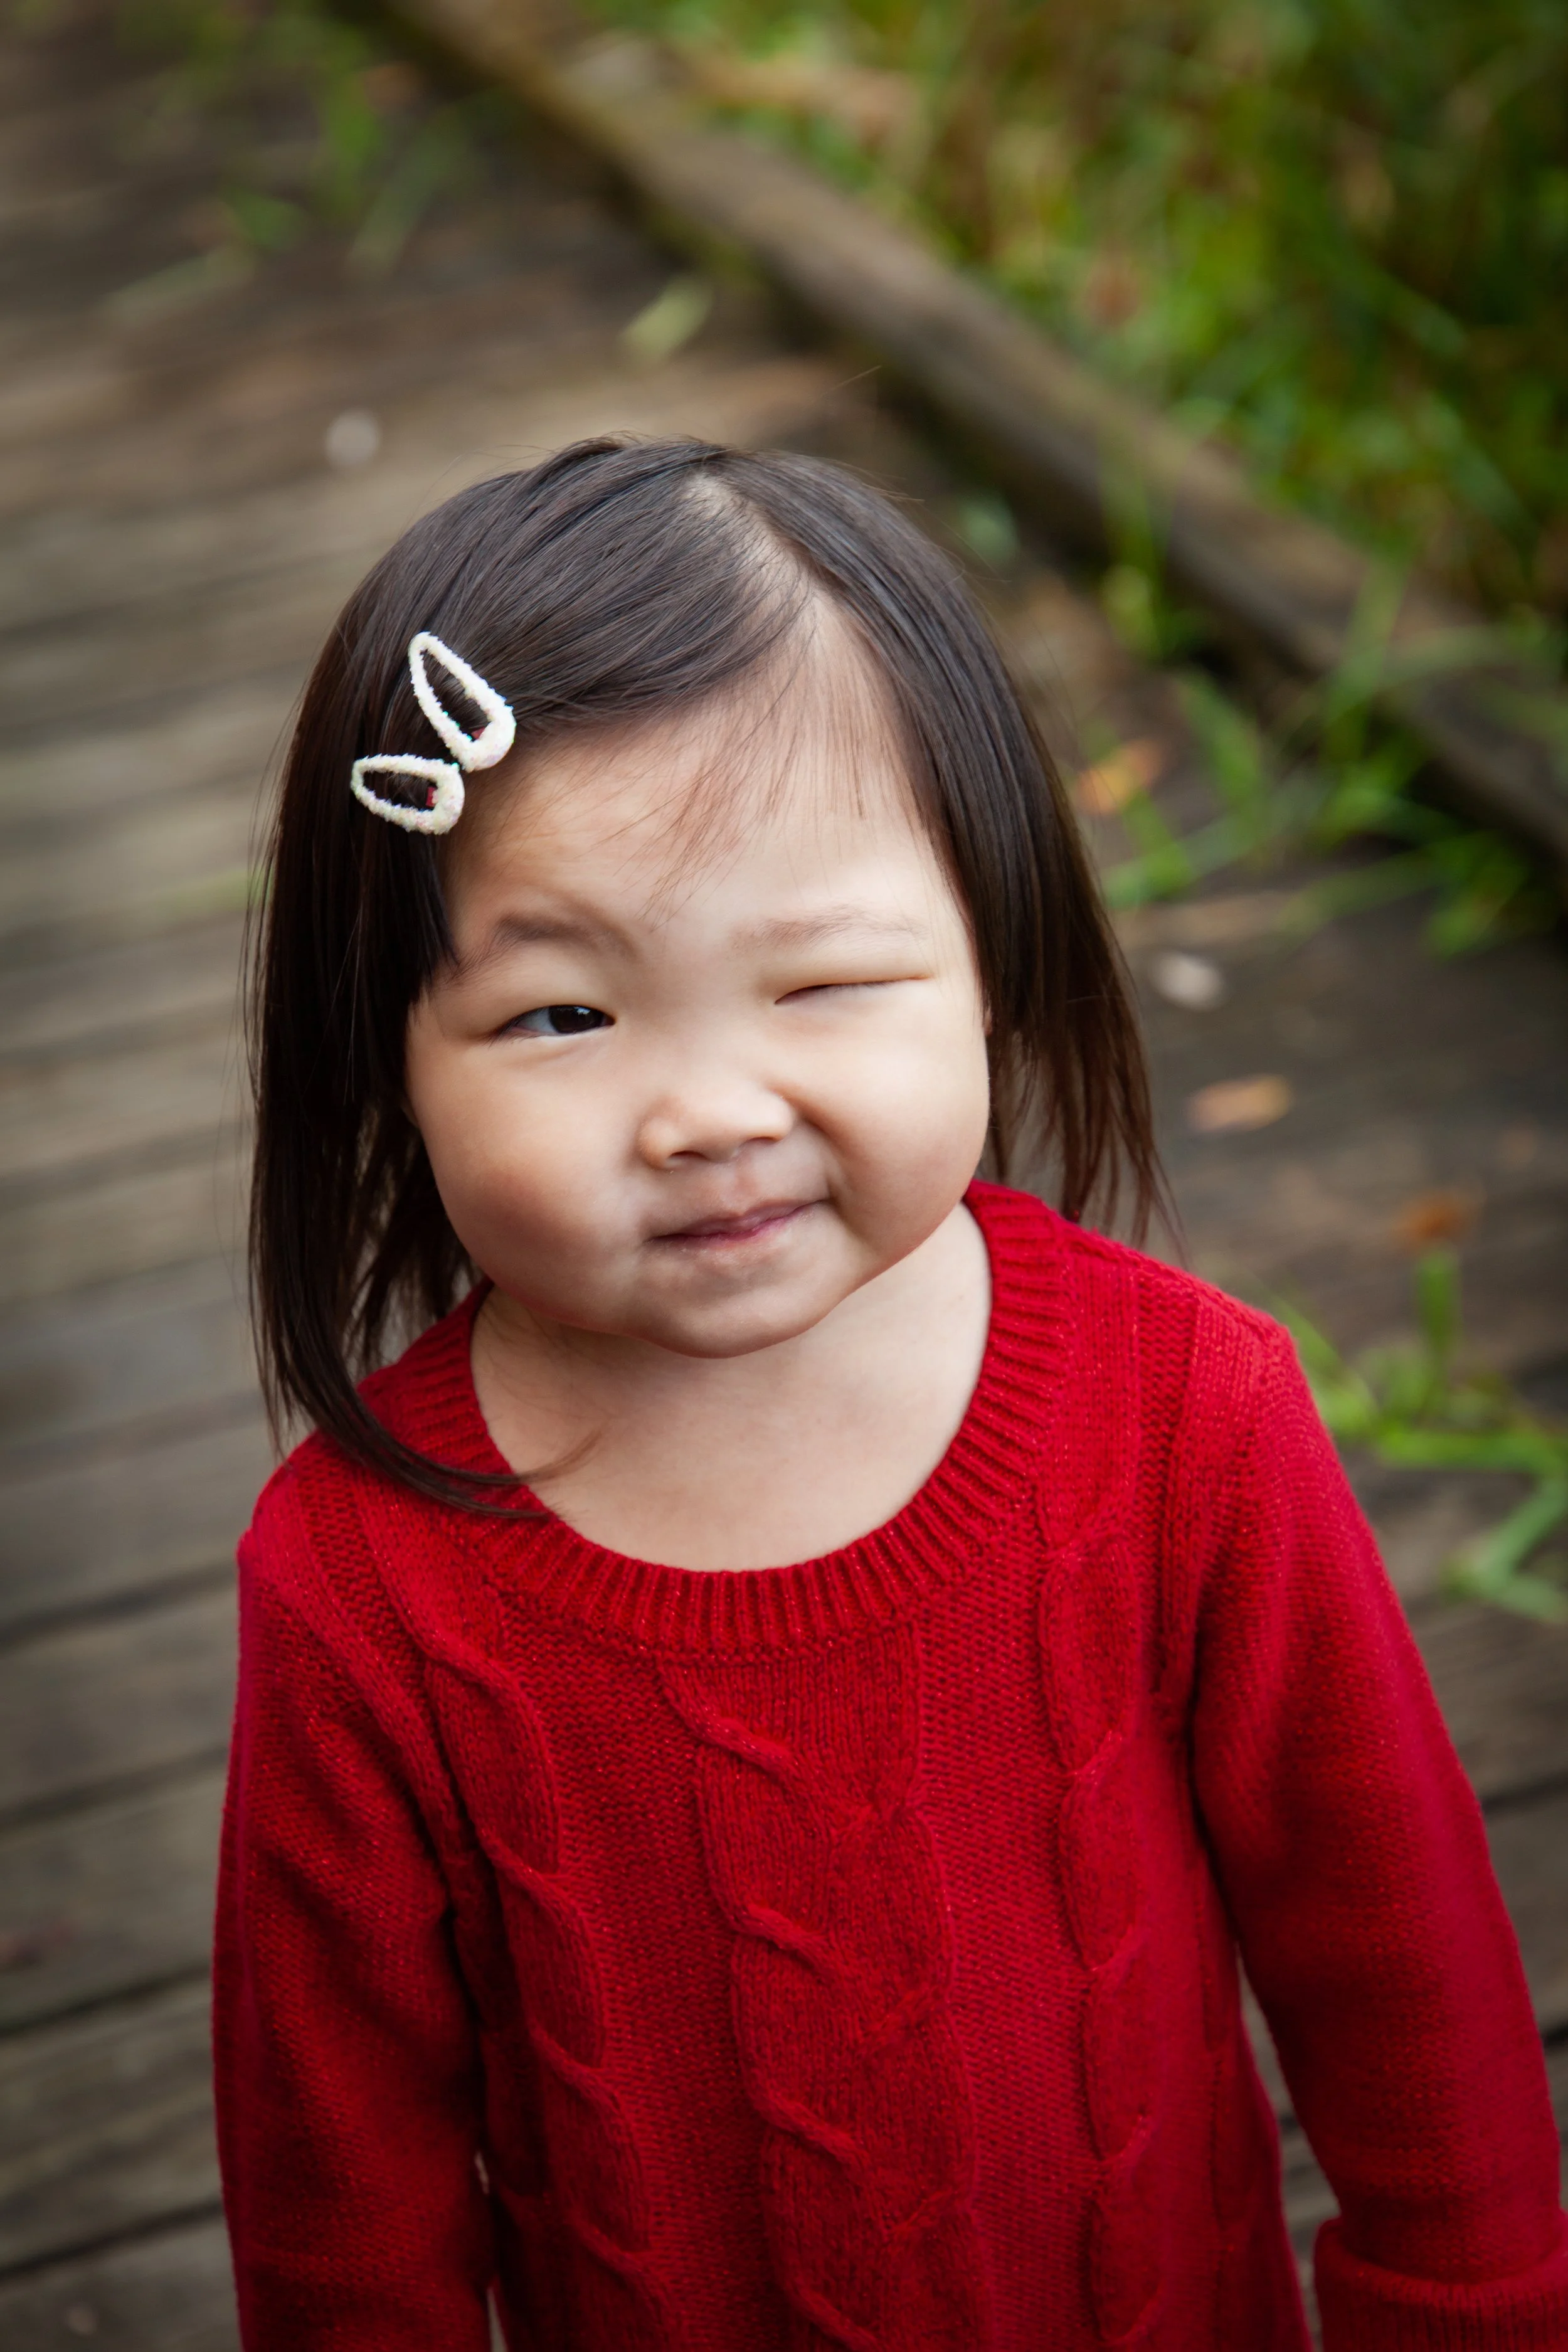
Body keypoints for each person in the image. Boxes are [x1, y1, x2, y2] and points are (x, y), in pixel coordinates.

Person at [218, 437, 1567, 2351]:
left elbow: (1399, 1966)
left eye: (825, 980)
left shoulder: (1181, 1413)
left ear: (988, 966)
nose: (706, 1111)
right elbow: (340, 2211)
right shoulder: (366, 1587)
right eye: (560, 1014)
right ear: (388, 1058)